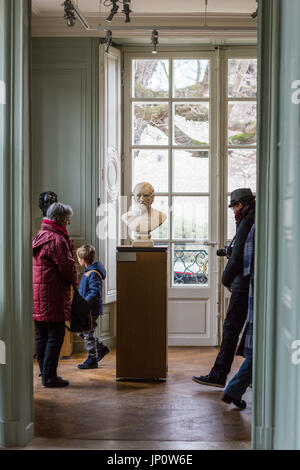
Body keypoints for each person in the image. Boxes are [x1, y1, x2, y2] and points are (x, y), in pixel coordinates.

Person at [193, 188, 255, 388]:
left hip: (243, 283)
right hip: (248, 282)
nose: (233, 211)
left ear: (240, 205)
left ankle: (219, 374)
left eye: (234, 207)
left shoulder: (247, 220)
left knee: (230, 328)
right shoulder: (254, 217)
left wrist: (225, 279)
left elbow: (237, 256)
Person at [33, 202, 78, 388]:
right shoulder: (57, 240)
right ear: (60, 219)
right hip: (53, 295)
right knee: (56, 335)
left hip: (38, 294)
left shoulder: (39, 236)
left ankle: (44, 372)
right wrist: (76, 281)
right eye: (67, 219)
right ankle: (50, 377)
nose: (68, 223)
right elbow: (67, 268)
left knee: (41, 335)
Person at [221, 224, 255, 409]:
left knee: (259, 348)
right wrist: (226, 279)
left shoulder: (252, 226)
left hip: (252, 290)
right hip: (258, 292)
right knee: (261, 349)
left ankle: (234, 388)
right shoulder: (256, 226)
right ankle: (234, 388)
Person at [76, 244, 110, 369]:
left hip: (90, 310)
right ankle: (101, 348)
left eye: (78, 258)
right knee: (82, 332)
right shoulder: (88, 272)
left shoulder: (93, 274)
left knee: (87, 333)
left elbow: (94, 292)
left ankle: (92, 359)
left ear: (83, 260)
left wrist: (84, 304)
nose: (78, 260)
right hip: (86, 309)